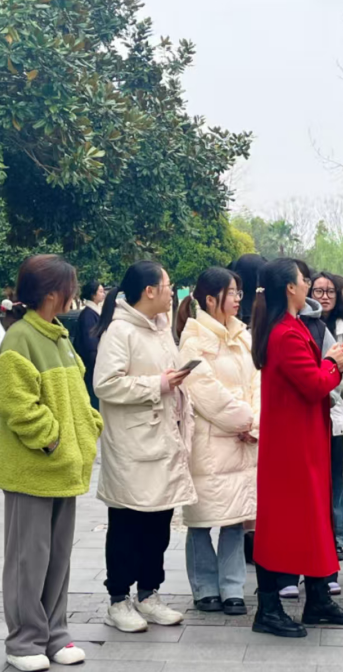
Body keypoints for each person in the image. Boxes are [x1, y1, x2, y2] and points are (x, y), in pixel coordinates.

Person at [0, 254, 103, 671]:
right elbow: (14, 403)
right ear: (53, 292)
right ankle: (24, 641)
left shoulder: (59, 336)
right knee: (29, 559)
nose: (74, 294)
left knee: (57, 558)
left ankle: (54, 633)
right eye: (70, 287)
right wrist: (53, 441)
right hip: (33, 470)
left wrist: (89, 428)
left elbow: (80, 397)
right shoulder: (20, 338)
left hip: (63, 468)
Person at [250, 258, 343, 638]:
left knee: (314, 521)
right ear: (289, 288)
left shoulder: (292, 326)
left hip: (303, 439)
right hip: (292, 446)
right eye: (303, 280)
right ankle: (268, 608)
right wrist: (334, 363)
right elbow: (314, 385)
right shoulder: (285, 333)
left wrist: (330, 364)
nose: (308, 285)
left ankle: (317, 598)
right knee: (283, 525)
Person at [93, 261, 197, 634]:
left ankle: (149, 593)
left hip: (164, 440)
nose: (172, 292)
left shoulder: (161, 328)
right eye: (168, 285)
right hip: (132, 445)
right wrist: (158, 384)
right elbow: (105, 384)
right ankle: (118, 599)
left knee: (159, 523)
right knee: (127, 523)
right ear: (149, 291)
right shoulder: (120, 331)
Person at [177, 267, 259, 615]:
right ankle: (204, 587)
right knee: (201, 521)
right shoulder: (193, 339)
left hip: (243, 441)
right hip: (208, 443)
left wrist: (254, 423)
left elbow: (258, 383)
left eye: (239, 292)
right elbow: (204, 391)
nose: (238, 299)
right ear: (210, 299)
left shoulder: (243, 336)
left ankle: (232, 587)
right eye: (232, 292)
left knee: (235, 518)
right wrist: (245, 419)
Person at [311, 271, 343, 560]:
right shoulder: (303, 326)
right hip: (312, 408)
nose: (324, 297)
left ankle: (337, 535)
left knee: (337, 479)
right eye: (318, 291)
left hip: (337, 412)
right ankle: (319, 535)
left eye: (330, 291)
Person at [228, 253, 267, 566]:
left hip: (240, 413)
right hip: (257, 412)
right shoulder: (267, 314)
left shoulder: (236, 321)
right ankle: (255, 537)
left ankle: (248, 537)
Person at [75, 280, 106, 409]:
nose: (103, 294)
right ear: (93, 295)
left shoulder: (94, 312)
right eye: (100, 291)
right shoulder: (88, 315)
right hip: (92, 367)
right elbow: (91, 345)